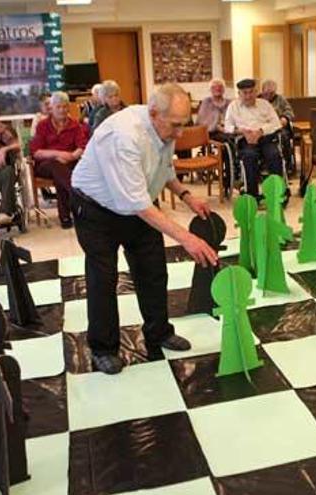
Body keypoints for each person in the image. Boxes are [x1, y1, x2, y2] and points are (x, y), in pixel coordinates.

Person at [70, 83, 218, 375]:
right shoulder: (124, 137)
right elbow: (137, 204)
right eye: (175, 125)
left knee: (153, 269)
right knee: (103, 276)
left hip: (136, 204)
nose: (179, 133)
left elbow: (163, 169)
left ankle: (159, 332)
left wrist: (186, 196)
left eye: (183, 125)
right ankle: (103, 347)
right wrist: (187, 238)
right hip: (96, 208)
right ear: (153, 113)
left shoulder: (164, 127)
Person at [30, 91, 89, 229]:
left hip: (69, 163)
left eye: (65, 107)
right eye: (59, 107)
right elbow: (36, 152)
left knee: (60, 174)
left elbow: (82, 146)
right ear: (52, 108)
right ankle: (78, 197)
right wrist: (57, 154)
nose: (62, 110)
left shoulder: (74, 125)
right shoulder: (43, 125)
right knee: (56, 165)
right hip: (46, 165)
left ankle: (65, 217)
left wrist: (72, 156)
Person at [224, 78, 285, 200]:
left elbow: (276, 123)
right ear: (239, 94)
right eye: (244, 93)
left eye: (251, 92)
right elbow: (227, 126)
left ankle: (277, 194)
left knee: (274, 155)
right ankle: (252, 195)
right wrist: (241, 131)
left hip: (265, 138)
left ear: (256, 92)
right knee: (249, 157)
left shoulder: (264, 104)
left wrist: (261, 131)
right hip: (245, 140)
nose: (248, 96)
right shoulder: (233, 106)